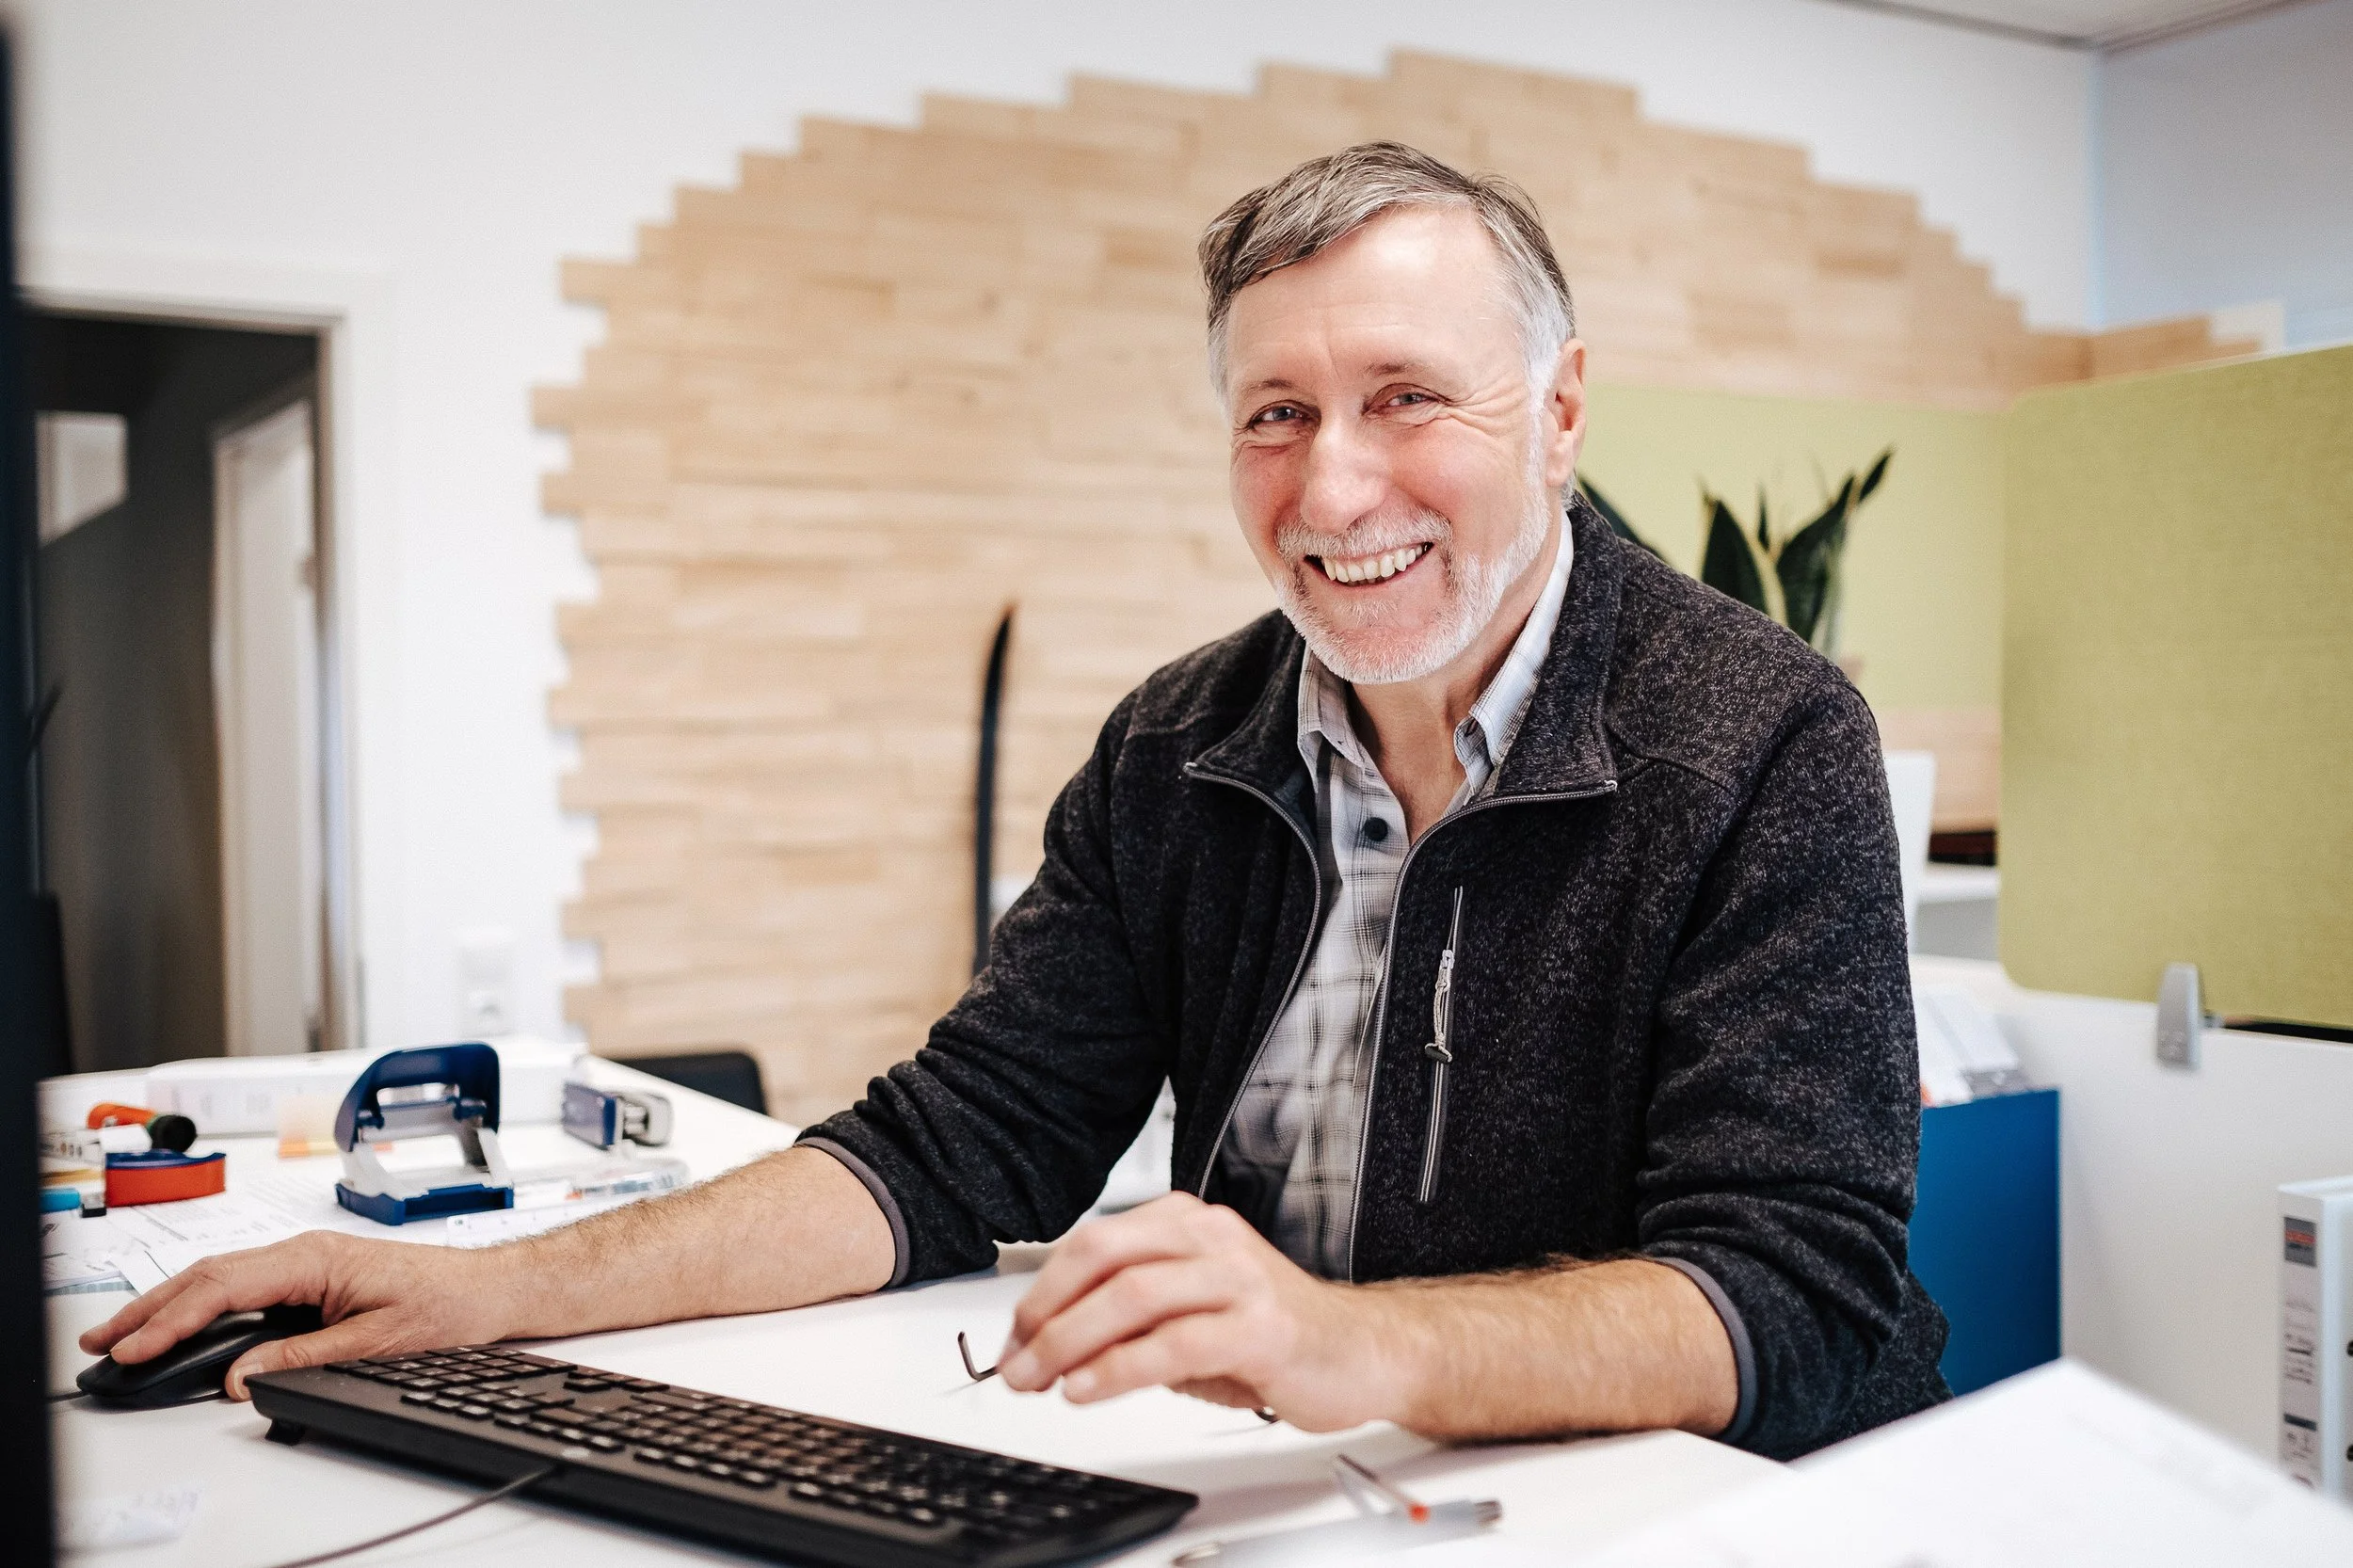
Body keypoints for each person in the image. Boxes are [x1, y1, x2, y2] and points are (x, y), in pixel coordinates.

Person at [88, 142, 1946, 1459]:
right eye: (1274, 413)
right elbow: (946, 1147)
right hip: (1322, 1486)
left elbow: (1782, 1293)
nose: (1332, 486)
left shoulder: (1760, 737)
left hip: (1686, 1506)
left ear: (1556, 413)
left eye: (1406, 397)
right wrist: (478, 1294)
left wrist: (1331, 1337)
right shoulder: (1180, 747)